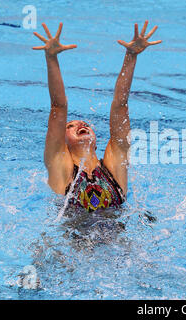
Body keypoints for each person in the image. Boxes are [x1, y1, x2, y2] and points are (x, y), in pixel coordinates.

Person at [33, 21, 161, 212]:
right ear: (62, 142)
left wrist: (131, 55)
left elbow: (120, 106)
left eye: (83, 123)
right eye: (70, 126)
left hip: (119, 240)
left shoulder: (114, 164)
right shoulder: (60, 166)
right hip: (73, 241)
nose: (80, 124)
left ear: (96, 140)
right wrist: (51, 58)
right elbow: (58, 107)